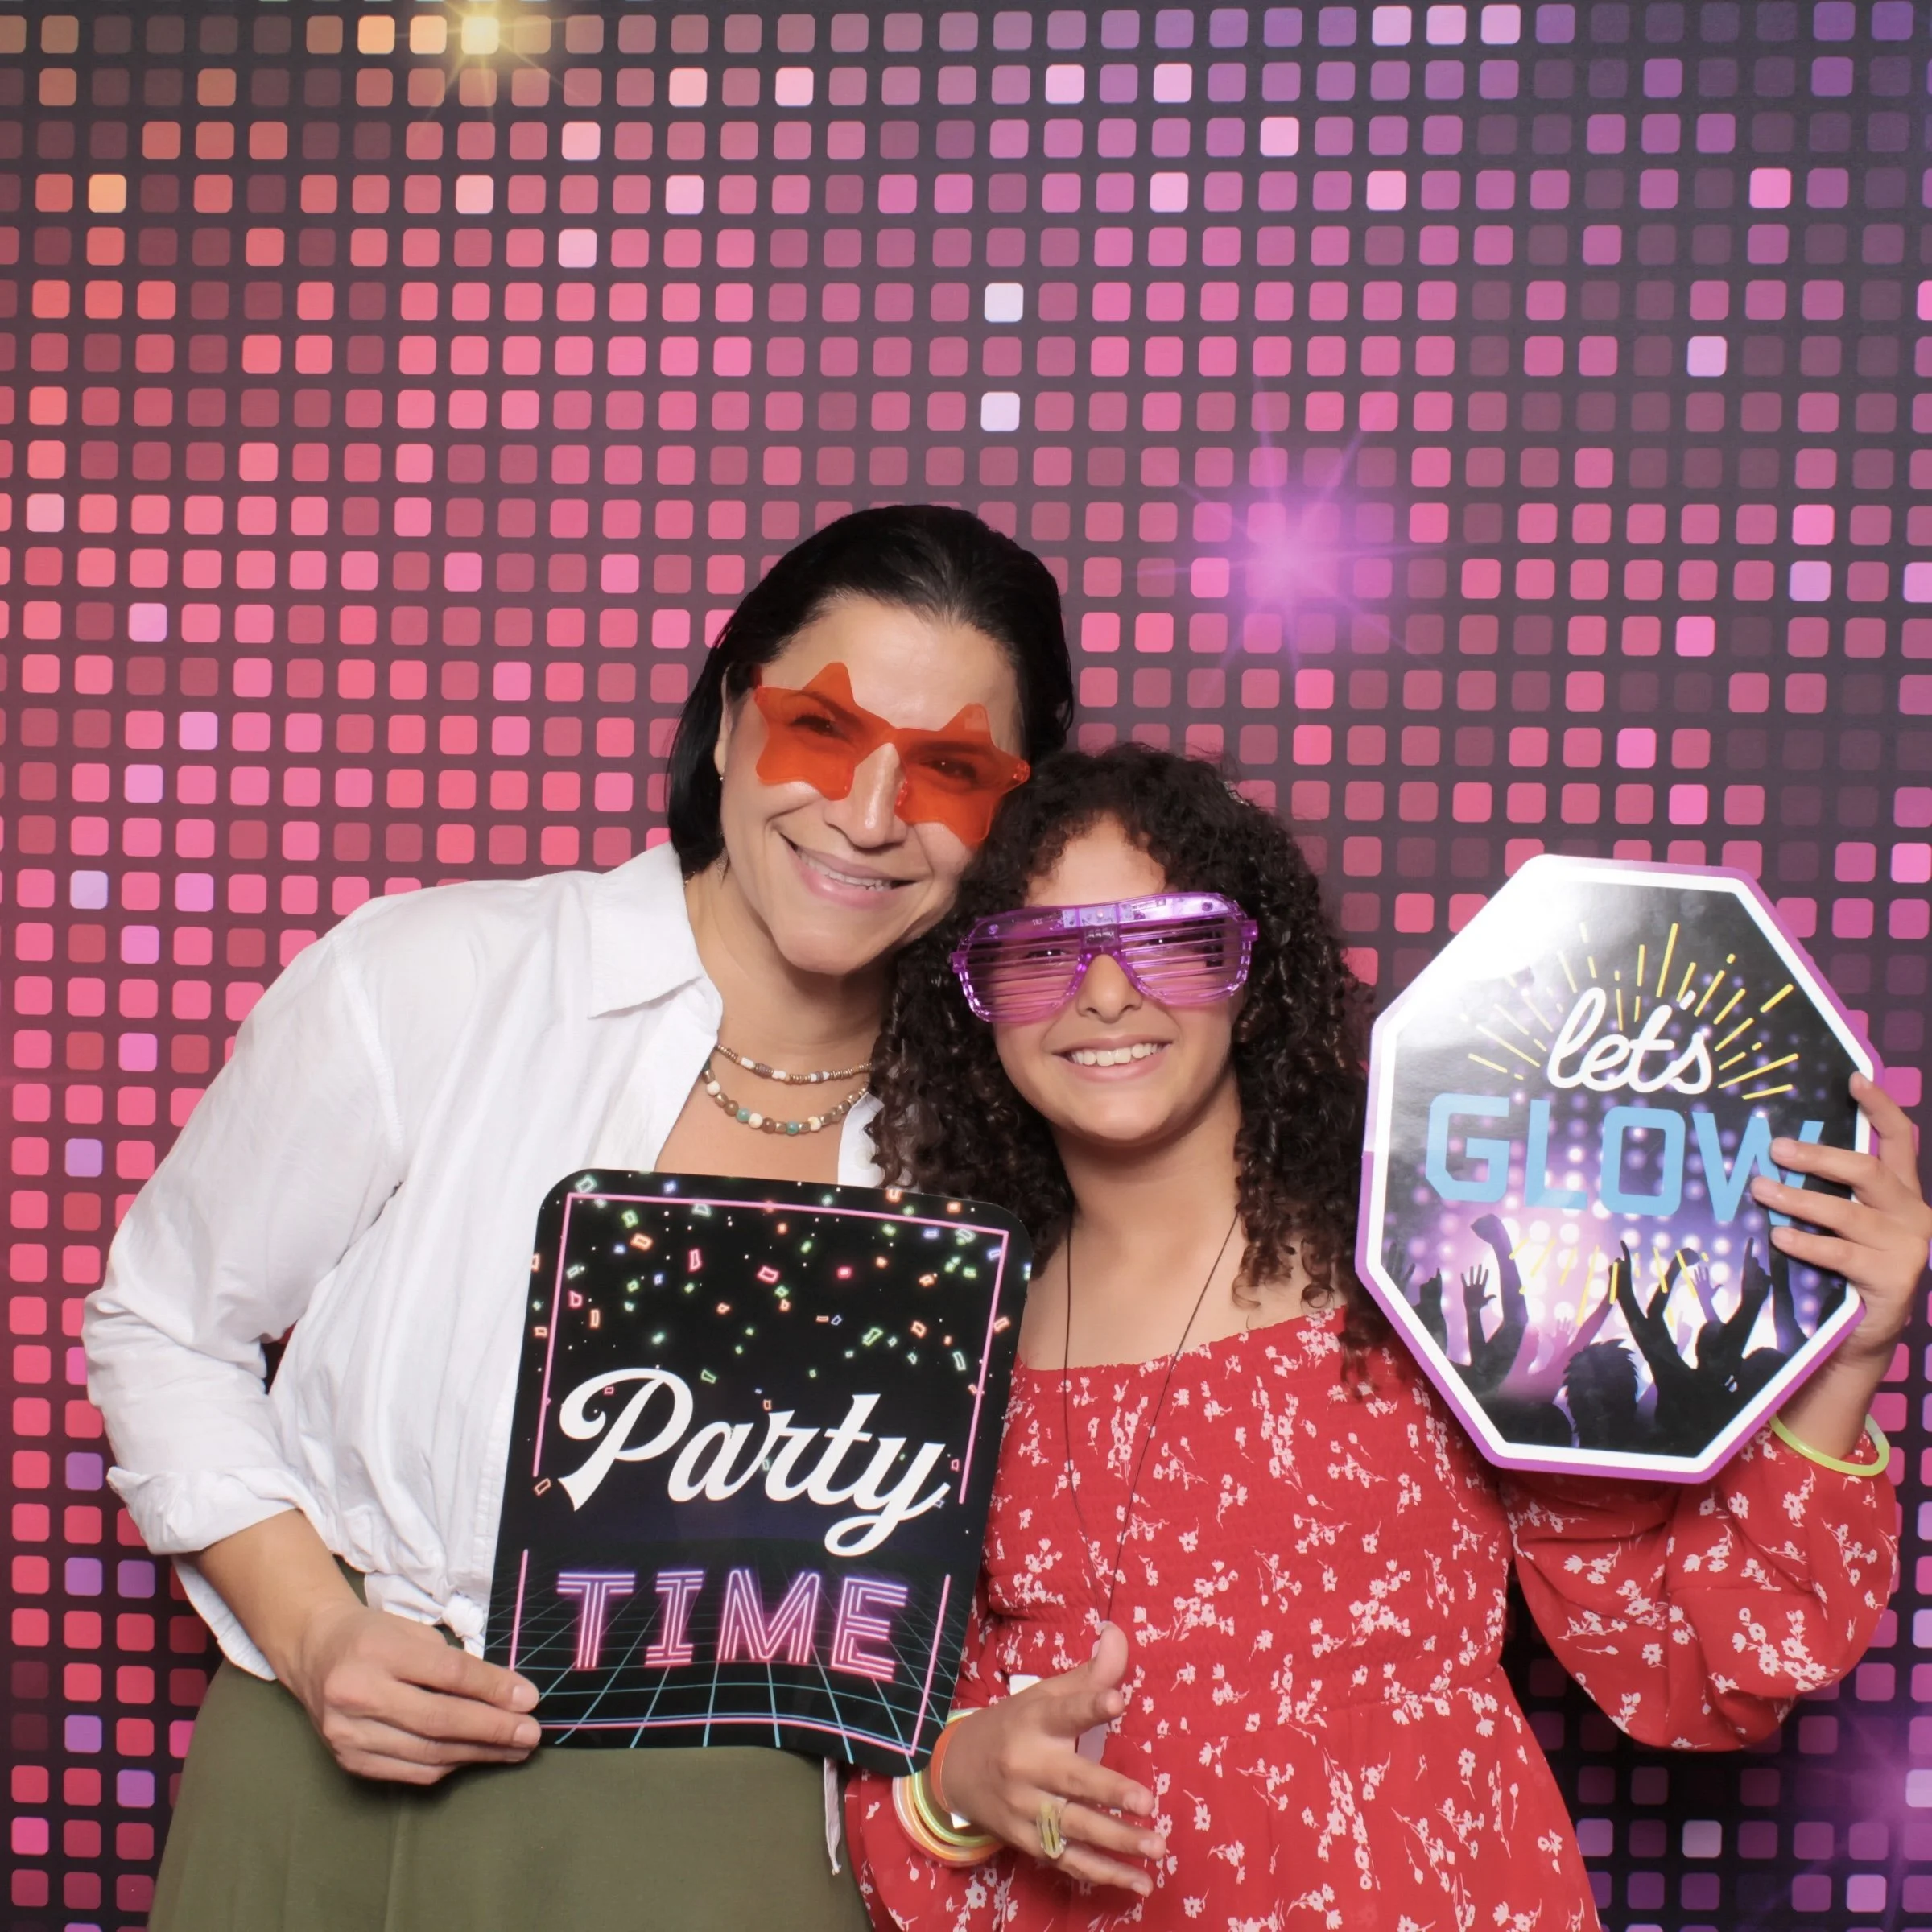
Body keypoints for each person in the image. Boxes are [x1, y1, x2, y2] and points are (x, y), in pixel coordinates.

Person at [82, 506, 1075, 1931]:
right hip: (342, 1781)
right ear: (729, 722)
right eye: (820, 729)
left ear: (1009, 812)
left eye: (950, 769)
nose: (868, 814)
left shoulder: (1004, 1130)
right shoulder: (440, 978)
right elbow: (165, 1326)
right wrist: (313, 1633)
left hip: (741, 1842)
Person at [846, 745, 1928, 1930]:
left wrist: (1847, 1360)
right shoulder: (949, 1339)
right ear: (977, 999)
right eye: (1042, 954)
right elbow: (863, 1722)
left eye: (1171, 941)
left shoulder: (1432, 1278)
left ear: (1253, 973)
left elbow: (1688, 1659)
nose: (1105, 994)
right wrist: (954, 1782)